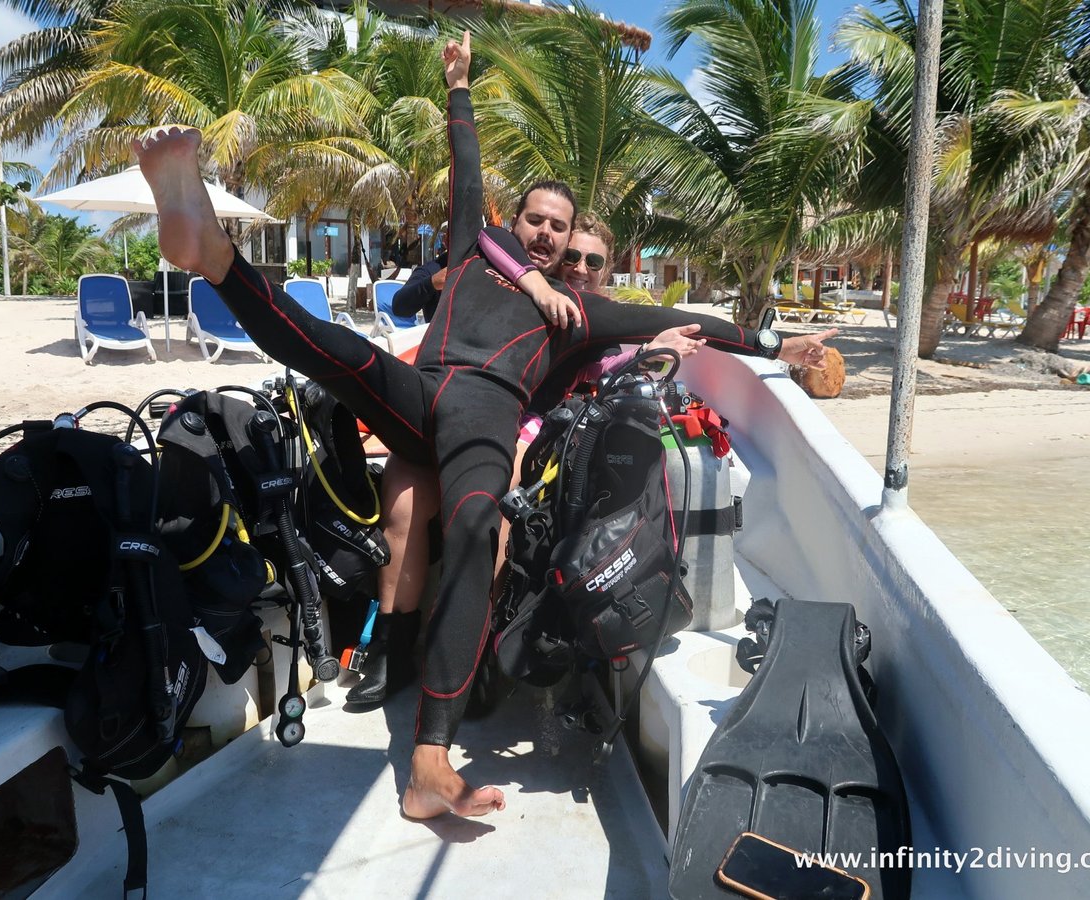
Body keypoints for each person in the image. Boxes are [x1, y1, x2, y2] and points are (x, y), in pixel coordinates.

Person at [133, 30, 833, 820]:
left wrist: (778, 342)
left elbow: (679, 315)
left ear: (572, 239)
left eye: (557, 227)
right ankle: (213, 254)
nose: (543, 232)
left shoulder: (584, 315)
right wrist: (458, 85)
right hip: (419, 393)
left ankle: (430, 763)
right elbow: (467, 171)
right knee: (331, 348)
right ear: (517, 225)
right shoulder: (473, 249)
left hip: (484, 418)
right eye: (534, 219)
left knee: (473, 527)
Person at [346, 211, 706, 708]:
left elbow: (609, 363)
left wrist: (652, 348)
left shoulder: (598, 316)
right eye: (572, 255)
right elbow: (476, 254)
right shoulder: (524, 293)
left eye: (593, 260)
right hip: (460, 410)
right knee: (404, 491)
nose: (580, 267)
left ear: (608, 267)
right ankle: (393, 648)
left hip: (529, 428)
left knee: (491, 500)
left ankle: (471, 652)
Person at [391, 224, 448, 323]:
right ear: (445, 239)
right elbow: (399, 307)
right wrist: (432, 283)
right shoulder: (432, 270)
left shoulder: (483, 266)